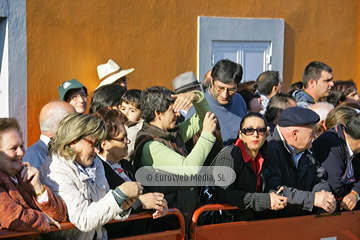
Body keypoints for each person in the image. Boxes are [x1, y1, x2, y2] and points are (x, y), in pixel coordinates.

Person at [41, 113, 143, 239]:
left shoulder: (96, 163)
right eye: (93, 144)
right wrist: (117, 195)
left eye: (98, 144)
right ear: (73, 142)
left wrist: (123, 205)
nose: (97, 150)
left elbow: (102, 206)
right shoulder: (56, 171)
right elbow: (83, 219)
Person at [132, 86, 217, 233]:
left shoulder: (170, 134)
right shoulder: (150, 145)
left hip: (185, 220)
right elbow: (189, 169)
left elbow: (206, 117)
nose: (178, 114)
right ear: (158, 113)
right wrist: (207, 135)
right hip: (168, 226)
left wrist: (195, 97)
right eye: (173, 110)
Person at [93, 108, 168, 237]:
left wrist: (159, 203)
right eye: (123, 139)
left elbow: (145, 193)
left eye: (127, 137)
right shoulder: (97, 171)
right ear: (105, 144)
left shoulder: (125, 164)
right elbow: (107, 207)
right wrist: (141, 202)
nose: (128, 142)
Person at [212, 112, 288, 221]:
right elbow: (224, 193)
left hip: (249, 224)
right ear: (240, 134)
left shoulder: (263, 156)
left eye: (260, 130)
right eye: (249, 130)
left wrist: (273, 195)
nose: (255, 135)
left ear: (266, 134)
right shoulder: (230, 154)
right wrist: (265, 200)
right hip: (224, 224)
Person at [264, 107, 336, 217]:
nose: (314, 136)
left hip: (301, 220)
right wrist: (312, 199)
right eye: (312, 132)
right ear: (295, 134)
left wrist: (324, 196)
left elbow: (318, 178)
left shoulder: (306, 148)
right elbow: (274, 190)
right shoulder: (270, 150)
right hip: (274, 222)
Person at [0, 118, 67, 232]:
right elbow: (13, 217)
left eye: (21, 146)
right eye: (13, 148)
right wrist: (44, 218)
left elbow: (60, 215)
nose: (21, 152)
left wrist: (38, 187)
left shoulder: (24, 175)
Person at [187, 59, 247, 146]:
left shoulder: (239, 100)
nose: (224, 95)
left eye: (231, 89)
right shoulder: (198, 107)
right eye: (220, 88)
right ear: (212, 80)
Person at [313, 114, 360, 211]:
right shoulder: (331, 144)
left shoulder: (354, 147)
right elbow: (335, 187)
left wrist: (355, 193)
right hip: (318, 212)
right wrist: (353, 189)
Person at [24, 101, 75, 169]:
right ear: (62, 124)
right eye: (74, 120)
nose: (78, 125)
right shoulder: (35, 154)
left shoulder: (62, 150)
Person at [120, 89, 143, 160]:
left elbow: (127, 155)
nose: (126, 113)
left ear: (142, 114)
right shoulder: (123, 125)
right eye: (123, 109)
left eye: (132, 111)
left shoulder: (134, 131)